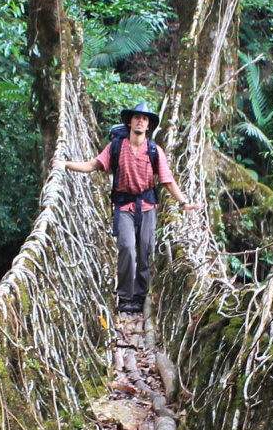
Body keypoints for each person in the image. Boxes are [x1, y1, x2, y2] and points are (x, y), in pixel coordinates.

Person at [55, 103, 202, 313]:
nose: (140, 121)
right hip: (123, 206)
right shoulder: (116, 147)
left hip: (148, 206)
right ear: (130, 122)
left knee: (145, 251)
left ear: (149, 124)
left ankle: (140, 297)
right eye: (137, 117)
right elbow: (91, 165)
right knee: (126, 248)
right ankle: (124, 297)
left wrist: (184, 202)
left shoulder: (154, 150)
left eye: (144, 118)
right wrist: (65, 164)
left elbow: (167, 180)